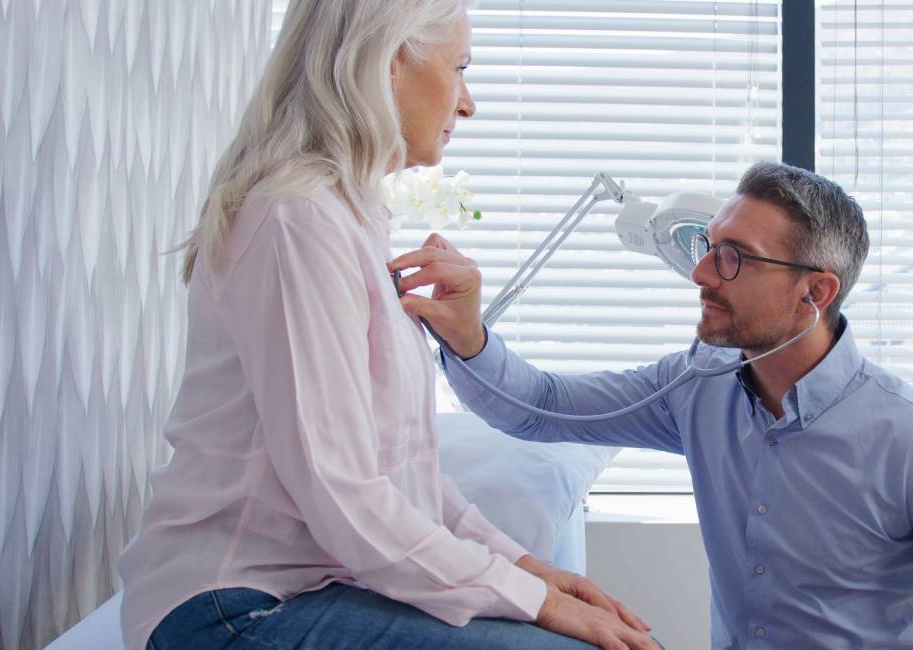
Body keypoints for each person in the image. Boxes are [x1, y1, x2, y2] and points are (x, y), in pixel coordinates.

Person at [118, 2, 658, 649]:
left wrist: (529, 571)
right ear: (390, 58)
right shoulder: (296, 221)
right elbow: (342, 494)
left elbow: (408, 480)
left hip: (306, 588)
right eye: (459, 68)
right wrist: (531, 600)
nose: (468, 104)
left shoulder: (348, 220)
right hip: (231, 606)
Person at [393, 161, 913, 648]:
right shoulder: (699, 384)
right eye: (708, 248)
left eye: (733, 258)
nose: (698, 274)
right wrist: (469, 335)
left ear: (816, 294)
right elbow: (539, 408)